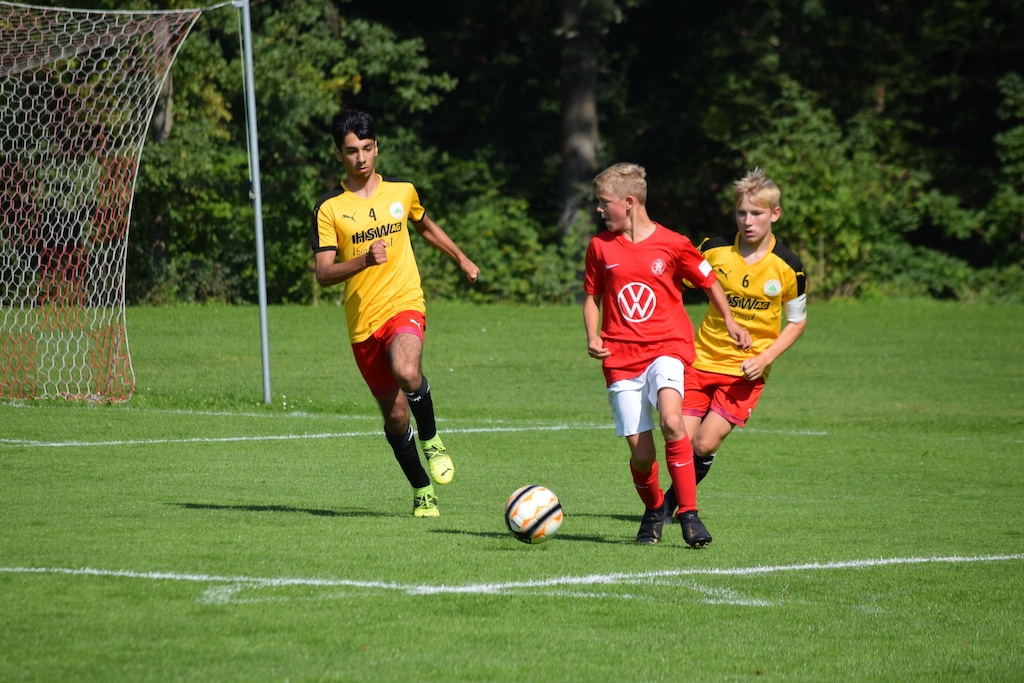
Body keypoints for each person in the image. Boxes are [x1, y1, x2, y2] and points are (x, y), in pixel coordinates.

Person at [310, 109, 480, 518]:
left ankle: (432, 439)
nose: (361, 158)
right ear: (338, 154)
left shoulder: (403, 192)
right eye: (352, 151)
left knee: (407, 369)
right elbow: (324, 273)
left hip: (404, 302)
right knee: (396, 414)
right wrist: (364, 260)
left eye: (367, 148)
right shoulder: (329, 208)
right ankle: (422, 490)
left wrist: (461, 258)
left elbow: (425, 226)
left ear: (377, 148)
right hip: (363, 324)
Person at [582, 162, 751, 548]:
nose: (599, 209)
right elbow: (592, 297)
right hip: (620, 359)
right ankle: (655, 508)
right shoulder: (600, 246)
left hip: (667, 348)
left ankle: (689, 514)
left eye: (604, 202)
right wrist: (592, 335)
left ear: (629, 202)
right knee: (642, 456)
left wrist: (729, 320)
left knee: (673, 421)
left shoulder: (674, 243)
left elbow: (709, 280)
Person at [663, 167, 807, 517]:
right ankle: (668, 508)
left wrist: (764, 359)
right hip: (700, 359)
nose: (748, 221)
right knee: (678, 436)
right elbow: (673, 285)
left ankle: (667, 507)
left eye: (757, 213)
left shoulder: (788, 266)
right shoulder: (713, 250)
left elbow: (797, 323)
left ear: (775, 214)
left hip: (745, 372)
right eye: (742, 213)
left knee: (704, 443)